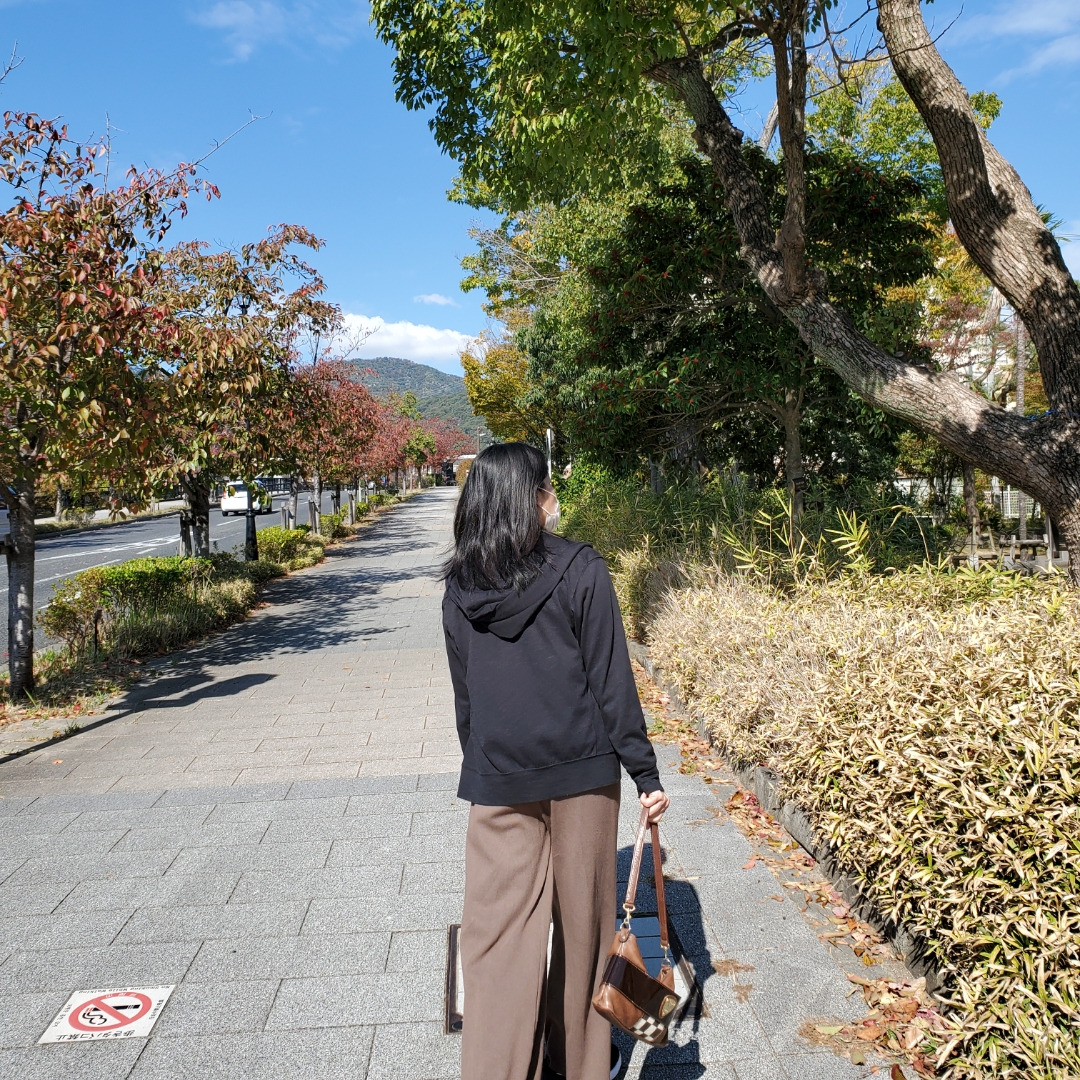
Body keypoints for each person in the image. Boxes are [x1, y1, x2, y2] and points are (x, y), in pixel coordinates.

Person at [441, 442, 670, 1080]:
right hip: (583, 778)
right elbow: (611, 684)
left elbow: (468, 702)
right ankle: (587, 1066)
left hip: (498, 780)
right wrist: (645, 775)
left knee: (496, 943)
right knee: (585, 931)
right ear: (530, 499)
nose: (554, 498)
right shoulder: (581, 569)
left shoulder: (459, 589)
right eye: (547, 487)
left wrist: (486, 764)